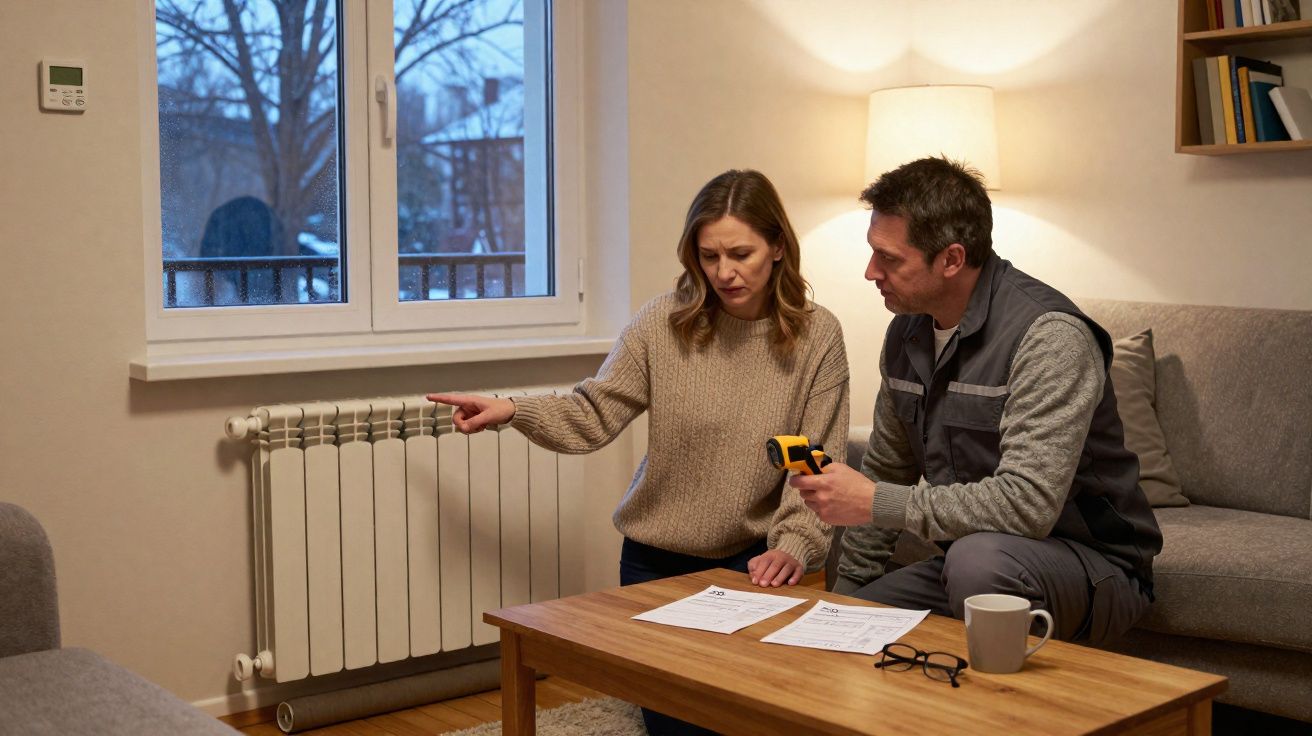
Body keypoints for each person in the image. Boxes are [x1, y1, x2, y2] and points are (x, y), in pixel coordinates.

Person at [429, 169, 848, 736]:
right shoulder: (664, 323)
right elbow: (594, 413)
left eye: (741, 253)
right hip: (655, 563)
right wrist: (513, 409)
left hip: (753, 566)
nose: (724, 272)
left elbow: (812, 458)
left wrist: (796, 543)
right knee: (681, 727)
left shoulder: (816, 337)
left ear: (777, 247)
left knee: (754, 719)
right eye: (708, 256)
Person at [790, 157, 1162, 647]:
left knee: (977, 561)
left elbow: (1027, 505)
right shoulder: (908, 331)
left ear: (951, 259)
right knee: (847, 634)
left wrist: (876, 502)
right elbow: (885, 469)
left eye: (891, 259)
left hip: (1091, 565)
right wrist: (848, 604)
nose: (870, 272)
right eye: (872, 253)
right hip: (975, 561)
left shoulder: (1049, 338)